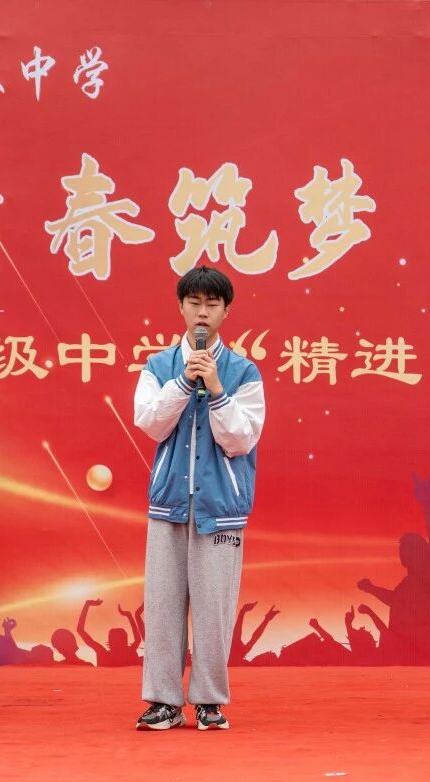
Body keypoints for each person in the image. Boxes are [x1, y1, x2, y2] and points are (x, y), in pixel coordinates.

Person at [132, 266, 265, 731]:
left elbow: (241, 439)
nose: (202, 312)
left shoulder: (244, 372)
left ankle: (209, 700)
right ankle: (163, 701)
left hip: (221, 507)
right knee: (163, 604)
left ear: (226, 311)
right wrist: (184, 383)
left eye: (212, 304)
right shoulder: (158, 366)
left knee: (214, 609)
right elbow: (150, 423)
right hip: (169, 502)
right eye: (194, 303)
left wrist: (217, 390)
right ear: (181, 307)